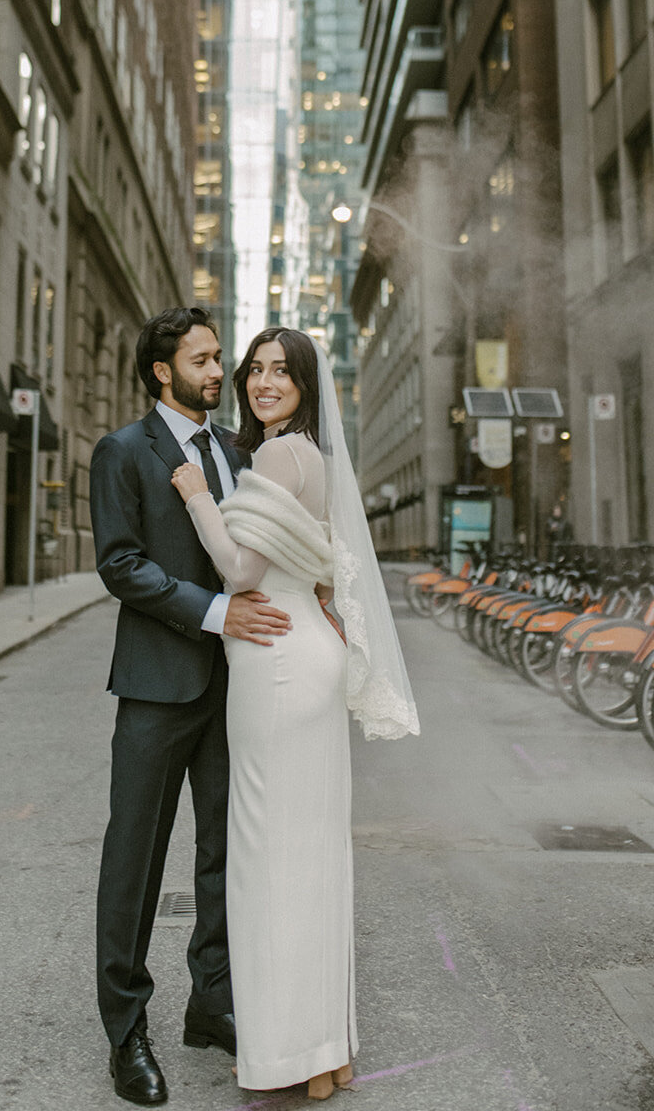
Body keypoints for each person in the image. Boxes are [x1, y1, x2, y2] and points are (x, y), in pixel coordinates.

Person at [171, 327, 418, 1100]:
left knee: (264, 865)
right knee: (311, 862)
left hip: (275, 668)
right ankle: (324, 1053)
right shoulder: (313, 459)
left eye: (283, 372)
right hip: (305, 657)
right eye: (256, 370)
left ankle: (281, 1059)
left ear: (308, 385)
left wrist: (198, 497)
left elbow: (241, 569)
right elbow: (312, 568)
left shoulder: (277, 455)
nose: (263, 382)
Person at [90, 307, 294, 1107]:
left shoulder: (240, 453)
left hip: (232, 688)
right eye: (204, 360)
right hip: (154, 687)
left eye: (221, 360)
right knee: (133, 864)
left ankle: (212, 1004)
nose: (220, 373)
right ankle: (124, 1031)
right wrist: (215, 614)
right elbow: (121, 564)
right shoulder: (122, 451)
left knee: (224, 854)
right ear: (160, 371)